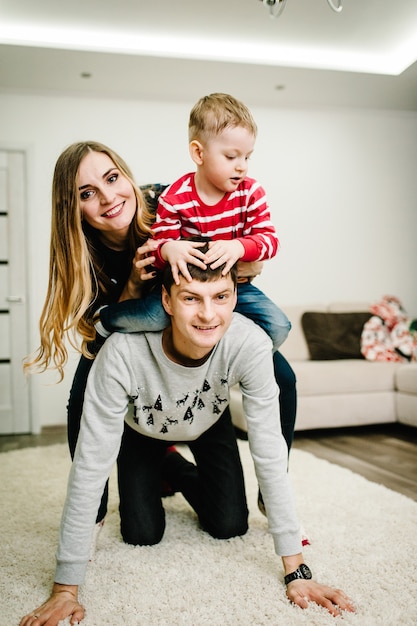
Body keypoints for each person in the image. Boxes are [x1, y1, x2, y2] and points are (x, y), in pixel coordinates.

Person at [20, 249, 355, 626]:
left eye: (221, 298)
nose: (208, 315)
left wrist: (296, 570)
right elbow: (89, 465)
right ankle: (159, 459)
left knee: (230, 524)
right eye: (191, 298)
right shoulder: (121, 352)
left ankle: (172, 466)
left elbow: (270, 454)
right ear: (166, 301)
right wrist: (66, 589)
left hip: (207, 421)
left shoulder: (250, 344)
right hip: (142, 429)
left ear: (235, 298)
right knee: (142, 533)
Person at [23, 141, 296, 526]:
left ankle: (243, 481)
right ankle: (96, 509)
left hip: (201, 376)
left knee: (231, 519)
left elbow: (239, 254)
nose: (108, 198)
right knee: (141, 527)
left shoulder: (171, 201)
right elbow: (96, 334)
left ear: (126, 176)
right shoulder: (84, 257)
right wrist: (134, 284)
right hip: (143, 391)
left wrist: (240, 258)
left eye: (112, 178)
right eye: (87, 193)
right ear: (74, 208)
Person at [150, 92, 291, 353]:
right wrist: (168, 249)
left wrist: (238, 247)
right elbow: (156, 253)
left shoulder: (250, 192)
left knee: (279, 326)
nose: (242, 167)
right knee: (151, 318)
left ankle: (223, 354)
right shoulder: (174, 198)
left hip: (237, 289)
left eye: (247, 157)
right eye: (231, 157)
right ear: (198, 153)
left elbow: (270, 242)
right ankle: (106, 319)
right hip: (190, 296)